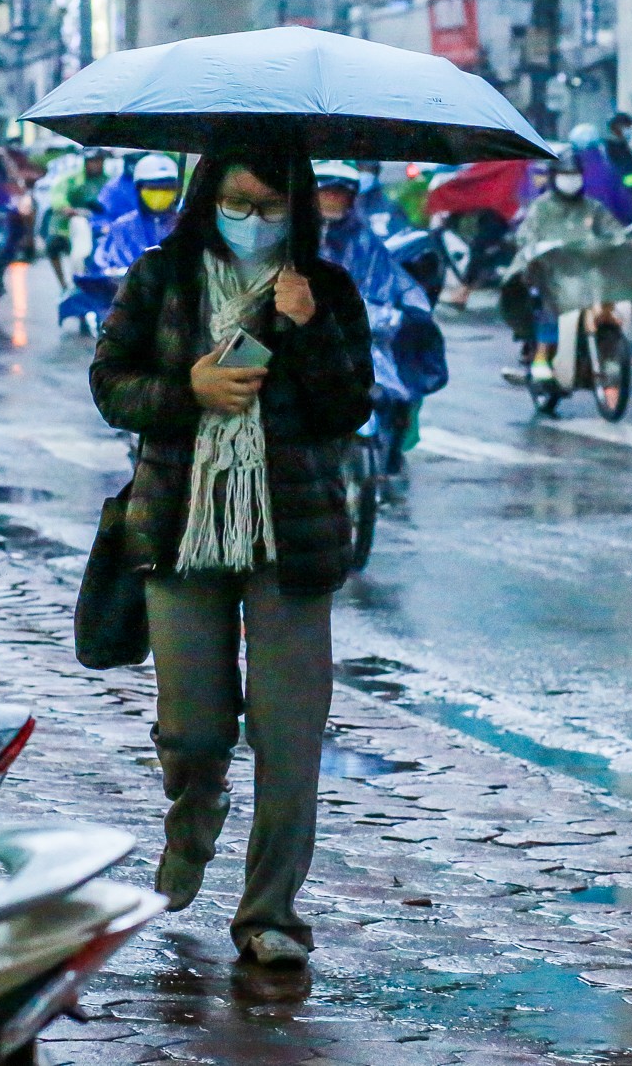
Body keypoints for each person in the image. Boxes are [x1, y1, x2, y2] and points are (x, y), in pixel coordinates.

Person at [89, 149, 372, 968]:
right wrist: (192, 389)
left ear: (300, 209)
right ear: (207, 197)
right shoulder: (159, 278)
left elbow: (349, 406)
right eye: (236, 201)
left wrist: (309, 328)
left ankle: (270, 912)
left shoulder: (329, 288)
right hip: (181, 526)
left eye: (271, 204)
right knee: (191, 726)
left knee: (289, 737)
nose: (253, 218)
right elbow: (111, 383)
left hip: (294, 534)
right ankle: (193, 814)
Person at [317, 160, 445, 471]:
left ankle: (387, 463)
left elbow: (395, 280)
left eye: (340, 195)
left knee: (394, 394)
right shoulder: (296, 239)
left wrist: (409, 308)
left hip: (362, 338)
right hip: (311, 341)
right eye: (325, 194)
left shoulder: (367, 240)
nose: (332, 201)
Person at [502, 149, 632, 386]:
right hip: (551, 273)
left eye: (575, 174)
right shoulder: (541, 208)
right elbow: (526, 236)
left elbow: (613, 229)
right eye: (565, 174)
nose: (570, 178)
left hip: (588, 272)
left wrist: (627, 241)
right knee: (552, 306)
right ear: (554, 176)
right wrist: (538, 248)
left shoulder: (592, 208)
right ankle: (542, 357)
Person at [59, 155, 182, 329]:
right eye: (152, 188)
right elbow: (105, 262)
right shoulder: (121, 226)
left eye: (166, 188)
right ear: (139, 188)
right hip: (129, 309)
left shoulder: (185, 224)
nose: (160, 193)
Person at [44, 147, 116, 287]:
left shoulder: (110, 182)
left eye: (98, 160)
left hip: (103, 227)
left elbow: (115, 204)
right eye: (91, 161)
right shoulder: (70, 180)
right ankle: (64, 285)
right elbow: (58, 198)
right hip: (71, 228)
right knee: (53, 245)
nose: (94, 164)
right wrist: (70, 210)